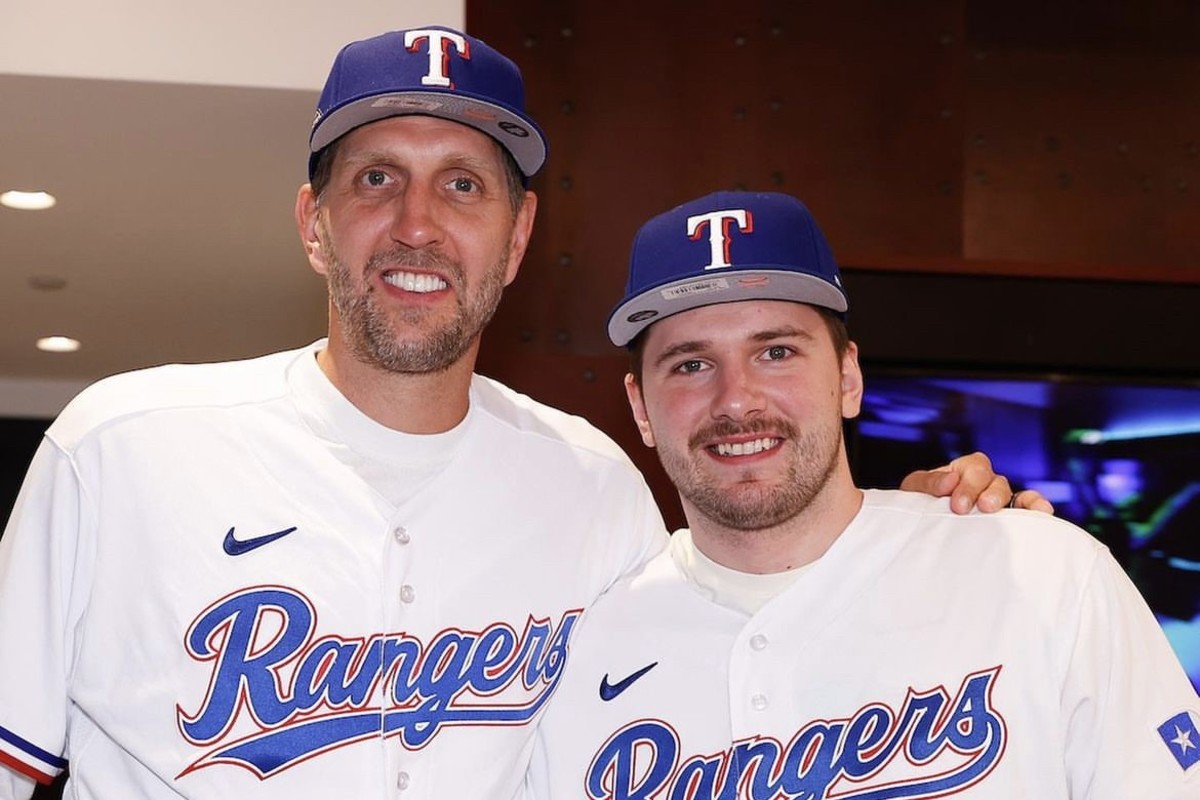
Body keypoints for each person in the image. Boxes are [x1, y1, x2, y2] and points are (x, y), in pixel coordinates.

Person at [0, 26, 1040, 800]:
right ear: (315, 224)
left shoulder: (591, 486)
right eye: (376, 179)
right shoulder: (124, 445)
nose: (418, 225)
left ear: (518, 234)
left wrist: (907, 542)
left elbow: (752, 685)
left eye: (462, 185)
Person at [525, 191, 1200, 799]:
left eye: (777, 352)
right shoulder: (574, 654)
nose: (736, 400)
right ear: (641, 408)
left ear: (848, 378)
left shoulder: (1044, 574)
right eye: (692, 364)